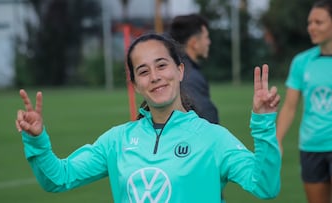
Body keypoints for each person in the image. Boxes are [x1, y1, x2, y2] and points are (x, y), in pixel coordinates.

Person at [16, 33, 281, 202]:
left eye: (162, 65)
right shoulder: (117, 141)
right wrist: (37, 140)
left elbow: (265, 186)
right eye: (143, 71)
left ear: (179, 71)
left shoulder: (212, 138)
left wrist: (263, 123)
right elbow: (58, 179)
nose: (154, 76)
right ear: (135, 83)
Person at [276, 1, 332, 202]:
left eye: (319, 22)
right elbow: (290, 107)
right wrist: (277, 140)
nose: (312, 27)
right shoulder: (302, 61)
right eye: (310, 22)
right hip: (311, 147)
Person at [168, 13, 219, 124]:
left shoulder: (176, 68)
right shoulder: (189, 76)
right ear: (194, 43)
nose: (208, 42)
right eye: (206, 37)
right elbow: (206, 118)